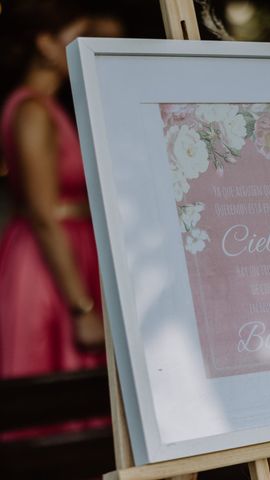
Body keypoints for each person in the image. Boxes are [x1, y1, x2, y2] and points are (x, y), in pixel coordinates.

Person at [0, 0, 106, 379]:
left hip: (72, 252)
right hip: (50, 265)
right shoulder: (32, 111)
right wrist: (82, 308)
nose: (86, 45)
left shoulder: (50, 107)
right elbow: (44, 214)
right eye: (77, 36)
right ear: (45, 44)